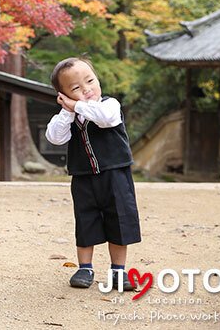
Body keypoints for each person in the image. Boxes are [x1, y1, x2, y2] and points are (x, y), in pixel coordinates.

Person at [45, 57, 141, 291]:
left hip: (115, 175)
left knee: (118, 220)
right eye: (76, 88)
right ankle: (85, 267)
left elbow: (106, 119)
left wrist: (76, 105)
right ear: (63, 94)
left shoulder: (110, 105)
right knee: (86, 220)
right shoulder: (68, 117)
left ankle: (118, 270)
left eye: (90, 80)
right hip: (83, 177)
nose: (87, 89)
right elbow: (55, 137)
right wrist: (67, 111)